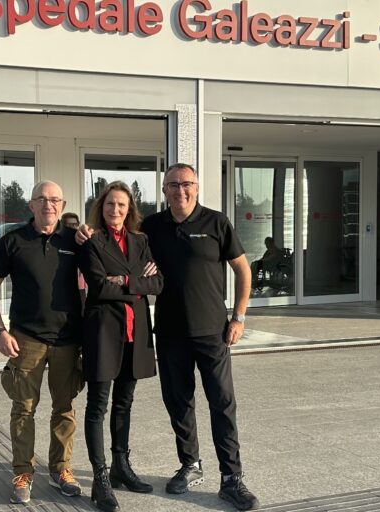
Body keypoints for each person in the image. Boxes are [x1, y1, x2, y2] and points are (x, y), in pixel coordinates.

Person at [77, 163, 259, 511]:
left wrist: (238, 317)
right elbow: (116, 246)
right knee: (179, 403)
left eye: (186, 184)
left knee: (222, 402)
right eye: (173, 185)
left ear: (197, 186)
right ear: (164, 190)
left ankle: (231, 479)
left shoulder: (217, 222)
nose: (180, 190)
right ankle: (190, 464)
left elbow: (242, 269)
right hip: (170, 332)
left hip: (212, 332)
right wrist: (82, 233)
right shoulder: (151, 229)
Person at [0, 181, 85, 505]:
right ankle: (23, 472)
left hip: (68, 339)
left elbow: (99, 278)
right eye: (42, 199)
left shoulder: (74, 241)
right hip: (25, 339)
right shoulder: (12, 241)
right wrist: (0, 331)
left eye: (55, 199)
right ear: (31, 205)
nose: (48, 205)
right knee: (23, 409)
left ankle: (60, 469)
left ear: (63, 203)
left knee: (64, 407)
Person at [79, 182, 163, 512]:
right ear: (101, 206)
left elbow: (158, 283)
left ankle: (120, 467)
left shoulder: (141, 240)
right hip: (102, 331)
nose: (116, 210)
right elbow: (99, 287)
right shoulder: (91, 241)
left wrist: (124, 280)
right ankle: (100, 479)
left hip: (135, 331)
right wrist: (136, 282)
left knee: (124, 402)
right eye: (111, 204)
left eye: (122, 206)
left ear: (130, 210)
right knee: (97, 405)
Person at [61, 212, 87, 304]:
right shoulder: (60, 244)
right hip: (65, 287)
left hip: (81, 286)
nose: (73, 227)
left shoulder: (82, 241)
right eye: (69, 225)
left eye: (75, 224)